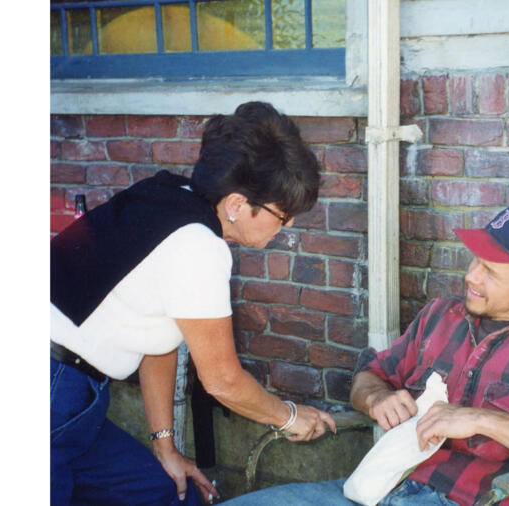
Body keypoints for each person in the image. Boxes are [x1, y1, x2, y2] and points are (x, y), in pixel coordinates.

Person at [224, 204, 509, 506]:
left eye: (490, 271)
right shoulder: (441, 315)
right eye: (474, 262)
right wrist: (376, 398)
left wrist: (479, 419)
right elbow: (369, 375)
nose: (470, 276)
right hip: (376, 488)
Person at [50, 101, 336, 506]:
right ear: (237, 204)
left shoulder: (166, 194)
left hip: (76, 399)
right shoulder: (198, 246)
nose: (287, 226)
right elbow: (223, 381)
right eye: (282, 213)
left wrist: (165, 446)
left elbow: (159, 339)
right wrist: (289, 416)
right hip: (53, 389)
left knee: (158, 491)